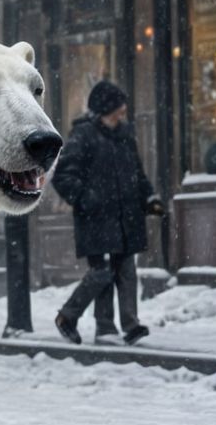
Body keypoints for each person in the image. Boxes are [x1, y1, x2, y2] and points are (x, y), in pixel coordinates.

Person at [52, 80, 164, 346]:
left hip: (126, 217)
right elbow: (64, 176)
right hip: (96, 219)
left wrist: (149, 198)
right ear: (106, 107)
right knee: (101, 273)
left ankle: (130, 325)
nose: (123, 110)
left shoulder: (125, 135)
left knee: (125, 270)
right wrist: (86, 198)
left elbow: (137, 174)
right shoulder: (83, 135)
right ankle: (76, 319)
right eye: (119, 105)